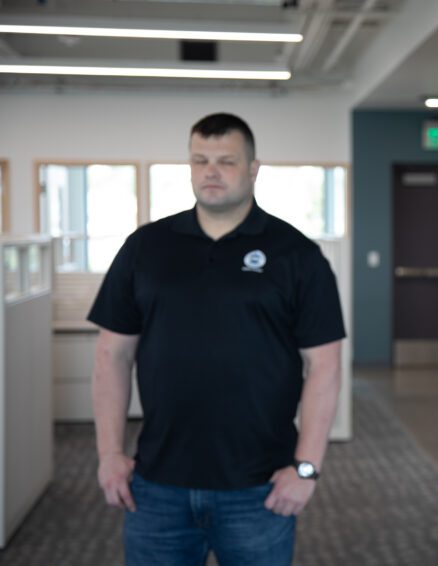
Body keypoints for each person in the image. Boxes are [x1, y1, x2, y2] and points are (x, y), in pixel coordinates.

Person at [89, 112, 345, 565]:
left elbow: (324, 366)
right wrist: (109, 453)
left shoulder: (297, 255)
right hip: (157, 486)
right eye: (199, 160)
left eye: (226, 161)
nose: (210, 171)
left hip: (260, 488)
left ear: (253, 168)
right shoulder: (145, 248)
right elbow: (112, 355)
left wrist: (306, 467)